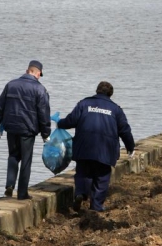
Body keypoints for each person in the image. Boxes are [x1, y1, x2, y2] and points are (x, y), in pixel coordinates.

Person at [58, 81, 135, 212]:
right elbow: (124, 130)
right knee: (102, 177)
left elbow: (71, 120)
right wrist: (130, 146)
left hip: (84, 147)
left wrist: (60, 123)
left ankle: (80, 194)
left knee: (83, 172)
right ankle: (96, 206)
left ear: (97, 91)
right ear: (110, 94)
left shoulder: (84, 103)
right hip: (106, 150)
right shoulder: (116, 109)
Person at [0, 60, 51, 200]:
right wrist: (46, 134)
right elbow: (44, 114)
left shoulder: (11, 85)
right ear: (37, 73)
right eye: (39, 75)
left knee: (13, 156)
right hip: (28, 130)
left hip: (11, 128)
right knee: (26, 160)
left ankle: (9, 185)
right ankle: (22, 193)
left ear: (27, 71)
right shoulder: (40, 89)